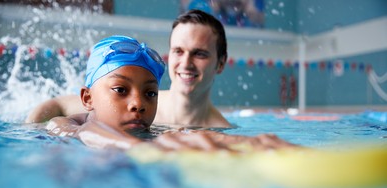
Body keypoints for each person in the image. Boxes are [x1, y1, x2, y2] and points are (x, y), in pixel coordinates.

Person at [44, 35, 296, 152]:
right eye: (121, 90)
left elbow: (181, 135)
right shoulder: (65, 123)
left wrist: (250, 142)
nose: (138, 104)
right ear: (88, 99)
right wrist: (143, 150)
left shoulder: (149, 130)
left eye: (150, 93)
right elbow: (84, 133)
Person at [26, 9, 232, 128]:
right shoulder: (125, 100)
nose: (186, 63)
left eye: (199, 54)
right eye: (178, 51)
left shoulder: (220, 130)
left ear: (221, 63)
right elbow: (57, 104)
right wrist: (32, 135)